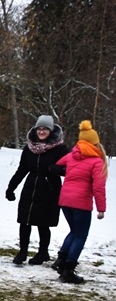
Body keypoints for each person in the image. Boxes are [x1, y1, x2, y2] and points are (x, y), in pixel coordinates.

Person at [6, 115, 69, 265]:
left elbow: (67, 169)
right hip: (30, 188)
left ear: (51, 131)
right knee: (25, 221)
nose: (42, 132)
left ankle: (42, 252)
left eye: (45, 129)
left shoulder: (60, 148)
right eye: (39, 129)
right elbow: (22, 169)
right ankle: (22, 252)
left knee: (43, 223)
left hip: (49, 189)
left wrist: (54, 169)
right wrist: (11, 188)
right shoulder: (29, 148)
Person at [51, 120, 107, 284]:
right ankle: (68, 270)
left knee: (74, 231)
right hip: (81, 203)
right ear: (95, 143)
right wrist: (101, 208)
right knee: (80, 235)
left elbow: (56, 166)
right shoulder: (97, 162)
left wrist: (68, 173)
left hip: (65, 200)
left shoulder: (71, 156)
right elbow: (98, 187)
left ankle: (61, 261)